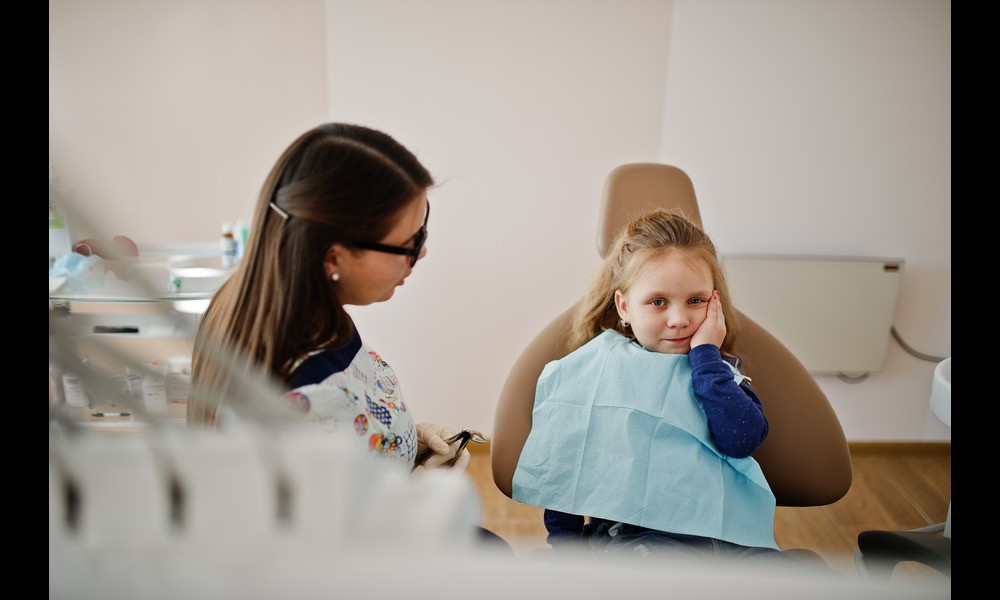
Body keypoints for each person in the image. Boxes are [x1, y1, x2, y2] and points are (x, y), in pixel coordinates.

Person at [511, 209, 798, 565]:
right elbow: (566, 470)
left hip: (725, 542)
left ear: (715, 302)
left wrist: (707, 357)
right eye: (657, 302)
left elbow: (741, 440)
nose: (679, 320)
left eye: (695, 301)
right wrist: (569, 555)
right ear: (624, 306)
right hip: (638, 544)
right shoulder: (593, 371)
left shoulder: (717, 371)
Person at [188, 122, 470, 472]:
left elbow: (343, 438)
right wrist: (420, 490)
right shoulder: (309, 391)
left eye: (422, 231)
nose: (422, 253)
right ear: (333, 257)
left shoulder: (260, 304)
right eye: (408, 244)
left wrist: (405, 442)